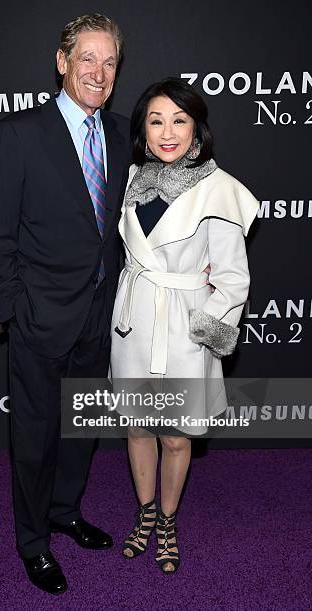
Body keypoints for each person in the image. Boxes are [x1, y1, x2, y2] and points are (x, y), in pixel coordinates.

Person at [0, 14, 131, 595]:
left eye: (109, 61)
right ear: (62, 62)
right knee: (36, 436)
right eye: (86, 58)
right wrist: (15, 309)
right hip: (39, 316)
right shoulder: (18, 133)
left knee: (81, 426)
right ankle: (33, 540)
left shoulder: (120, 134)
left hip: (100, 312)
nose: (98, 71)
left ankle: (66, 512)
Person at [110, 78, 259, 573]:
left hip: (184, 326)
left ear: (197, 128)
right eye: (156, 120)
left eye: (179, 120)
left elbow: (234, 279)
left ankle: (168, 521)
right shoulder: (132, 179)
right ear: (143, 130)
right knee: (137, 428)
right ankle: (145, 512)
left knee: (176, 436)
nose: (167, 132)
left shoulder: (219, 189)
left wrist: (205, 328)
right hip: (133, 322)